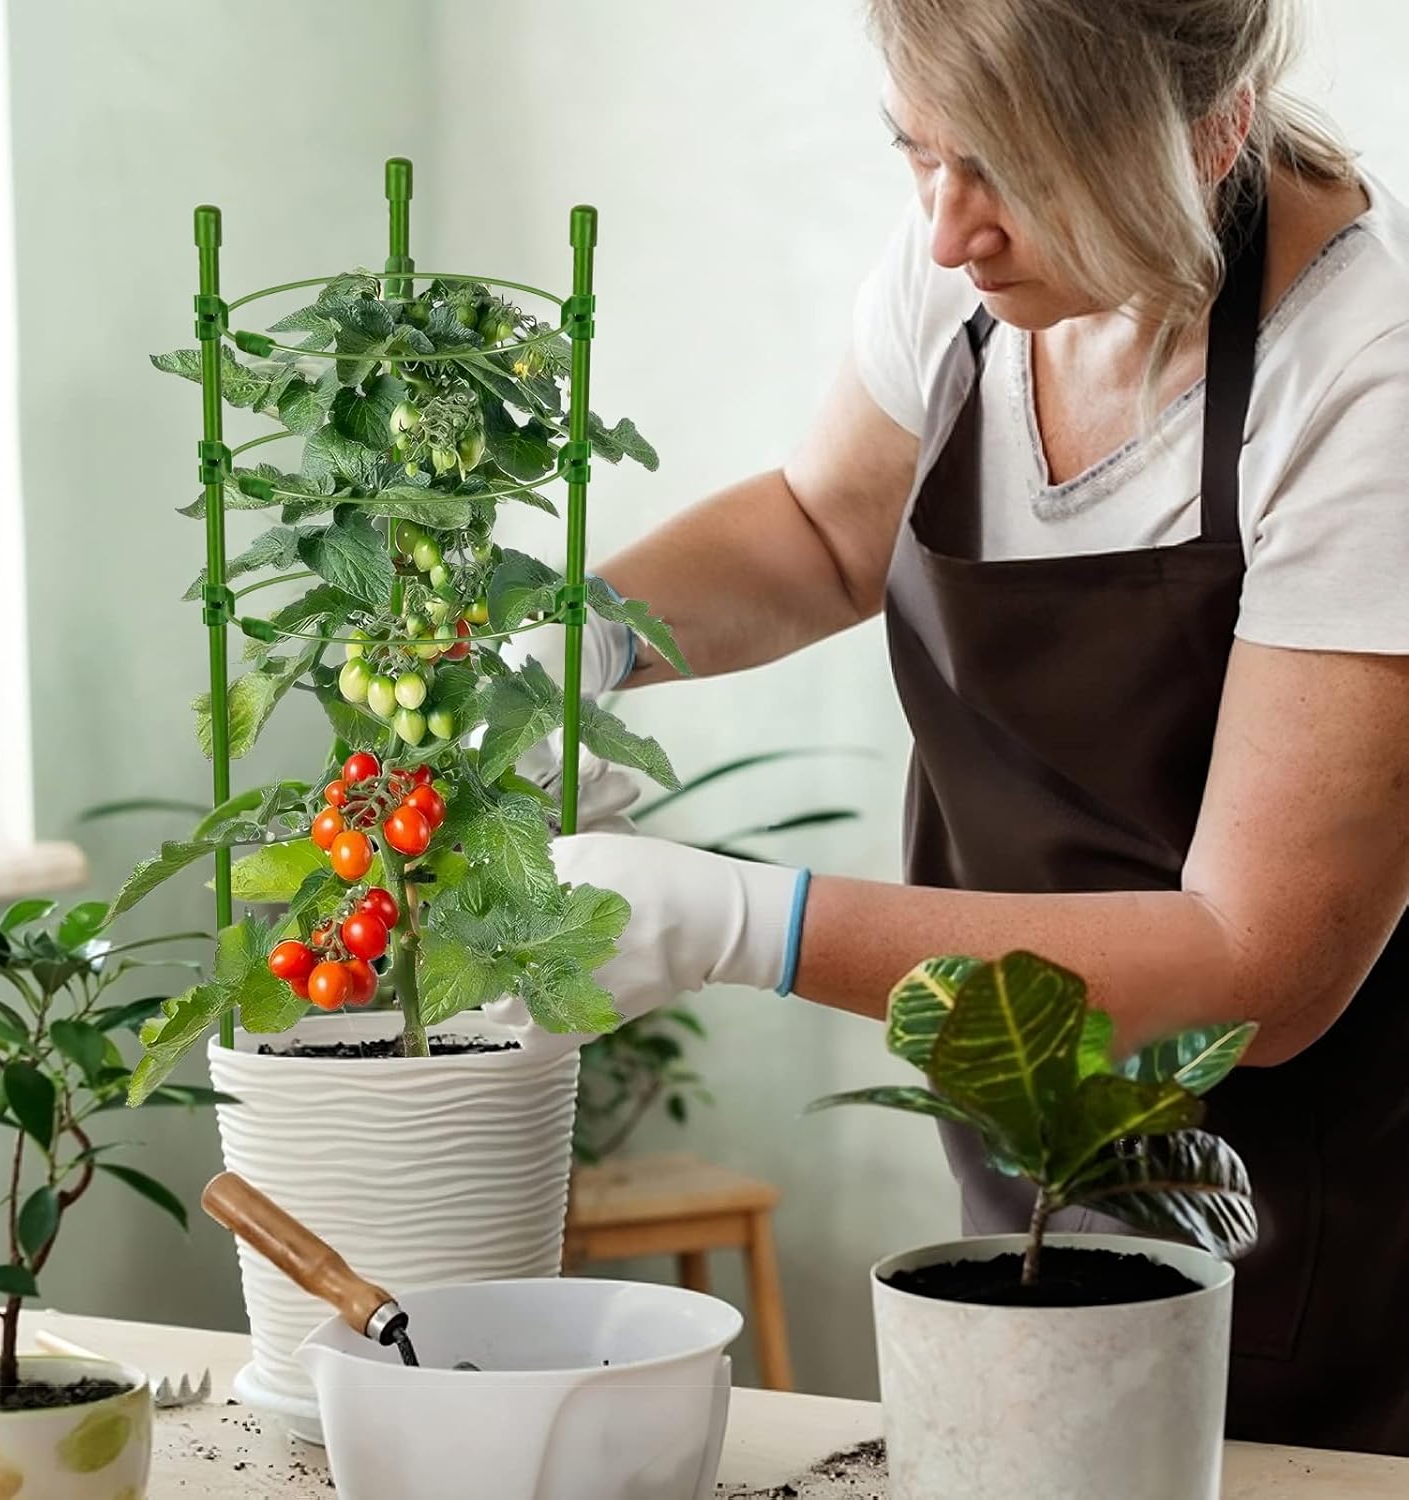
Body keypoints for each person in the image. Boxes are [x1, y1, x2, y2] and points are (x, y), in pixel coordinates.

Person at [494, 0, 1409, 1457]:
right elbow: (816, 531)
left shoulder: (1364, 385)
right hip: (1027, 1141)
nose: (945, 233)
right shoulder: (975, 283)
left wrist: (750, 924)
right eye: (919, 152)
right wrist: (583, 634)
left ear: (1210, 133)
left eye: (1014, 171)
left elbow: (1263, 960)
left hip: (1313, 1223)